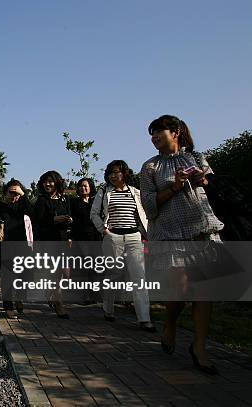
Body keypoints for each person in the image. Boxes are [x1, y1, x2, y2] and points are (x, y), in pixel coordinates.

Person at [140, 114, 224, 374]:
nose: (154, 138)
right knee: (179, 289)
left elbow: (213, 189)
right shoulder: (150, 167)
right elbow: (149, 206)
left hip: (201, 229)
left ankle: (199, 347)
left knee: (203, 292)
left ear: (175, 132)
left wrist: (202, 180)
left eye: (159, 132)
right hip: (169, 234)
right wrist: (175, 187)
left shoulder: (196, 158)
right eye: (151, 134)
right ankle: (170, 324)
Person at [90, 160, 155, 332]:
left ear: (124, 173)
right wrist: (103, 230)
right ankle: (108, 309)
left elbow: (145, 214)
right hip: (113, 238)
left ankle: (144, 319)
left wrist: (145, 232)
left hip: (134, 237)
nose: (113, 175)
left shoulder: (135, 192)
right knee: (113, 274)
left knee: (139, 277)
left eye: (116, 172)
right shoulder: (103, 191)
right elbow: (94, 213)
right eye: (110, 172)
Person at [0, 179, 33, 317]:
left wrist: (23, 195)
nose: (14, 195)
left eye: (16, 192)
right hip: (4, 245)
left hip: (22, 244)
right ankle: (8, 307)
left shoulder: (21, 205)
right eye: (11, 192)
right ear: (5, 192)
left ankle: (19, 297)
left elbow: (33, 213)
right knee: (8, 278)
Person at [33, 170, 73, 319]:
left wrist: (69, 228)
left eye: (50, 181)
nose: (48, 184)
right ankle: (59, 304)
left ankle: (51, 293)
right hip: (47, 241)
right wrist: (55, 219)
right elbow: (38, 222)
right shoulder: (41, 200)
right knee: (56, 272)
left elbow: (69, 216)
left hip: (63, 239)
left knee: (66, 273)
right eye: (45, 181)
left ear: (57, 182)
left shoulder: (65, 199)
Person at [70, 178, 102, 303]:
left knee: (96, 267)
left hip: (95, 237)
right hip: (80, 237)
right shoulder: (74, 202)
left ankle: (95, 294)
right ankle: (85, 295)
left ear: (90, 187)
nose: (82, 188)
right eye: (80, 186)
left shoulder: (96, 202)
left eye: (85, 186)